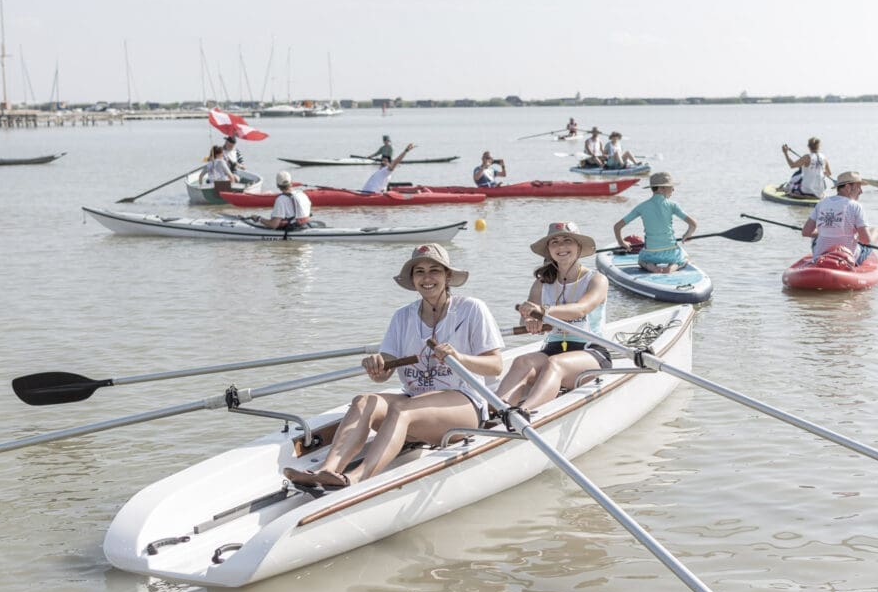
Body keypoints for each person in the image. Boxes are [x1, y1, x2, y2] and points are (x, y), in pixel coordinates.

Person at [284, 244, 505, 488]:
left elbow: (496, 366)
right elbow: (384, 373)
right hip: (415, 401)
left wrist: (459, 357)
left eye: (434, 270)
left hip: (464, 405)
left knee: (401, 410)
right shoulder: (402, 316)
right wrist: (376, 365)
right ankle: (326, 470)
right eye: (419, 272)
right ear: (412, 279)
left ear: (448, 276)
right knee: (364, 401)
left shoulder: (471, 308)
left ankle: (355, 478)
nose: (427, 278)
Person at [495, 222, 610, 413]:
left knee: (555, 364)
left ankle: (524, 412)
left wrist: (543, 311)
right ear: (549, 250)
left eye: (567, 241)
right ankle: (498, 411)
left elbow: (581, 309)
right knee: (522, 361)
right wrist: (530, 321)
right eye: (554, 242)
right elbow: (526, 319)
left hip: (590, 350)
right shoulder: (541, 283)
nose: (561, 246)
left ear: (579, 246)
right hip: (553, 348)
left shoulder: (597, 279)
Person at [613, 172, 697, 274]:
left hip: (651, 253)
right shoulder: (673, 205)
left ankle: (651, 266)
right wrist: (687, 235)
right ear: (661, 188)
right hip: (671, 252)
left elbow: (617, 227)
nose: (673, 190)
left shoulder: (642, 207)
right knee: (685, 258)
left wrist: (622, 242)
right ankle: (672, 267)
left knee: (641, 260)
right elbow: (693, 224)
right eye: (671, 187)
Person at [801, 171, 878, 265]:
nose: (861, 191)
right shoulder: (855, 206)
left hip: (820, 255)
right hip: (847, 258)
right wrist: (857, 236)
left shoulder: (821, 203)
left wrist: (826, 230)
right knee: (876, 231)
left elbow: (806, 232)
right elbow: (865, 240)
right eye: (858, 187)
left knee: (816, 239)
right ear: (847, 187)